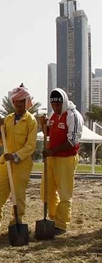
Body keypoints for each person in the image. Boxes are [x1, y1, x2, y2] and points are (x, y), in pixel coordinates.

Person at [0, 85, 38, 236]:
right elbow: (1, 141)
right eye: (17, 101)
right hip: (5, 163)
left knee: (18, 197)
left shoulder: (31, 121)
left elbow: (30, 146)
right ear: (13, 102)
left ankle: (16, 224)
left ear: (27, 102)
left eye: (22, 101)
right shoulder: (8, 119)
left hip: (21, 164)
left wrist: (16, 155)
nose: (19, 104)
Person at [42, 88, 83, 235]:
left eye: (58, 105)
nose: (55, 108)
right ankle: (52, 218)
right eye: (53, 105)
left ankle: (61, 224)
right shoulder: (53, 115)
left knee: (65, 193)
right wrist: (44, 124)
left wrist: (53, 150)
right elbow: (48, 131)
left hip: (66, 159)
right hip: (52, 158)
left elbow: (73, 140)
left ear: (64, 102)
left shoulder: (73, 115)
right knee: (48, 191)